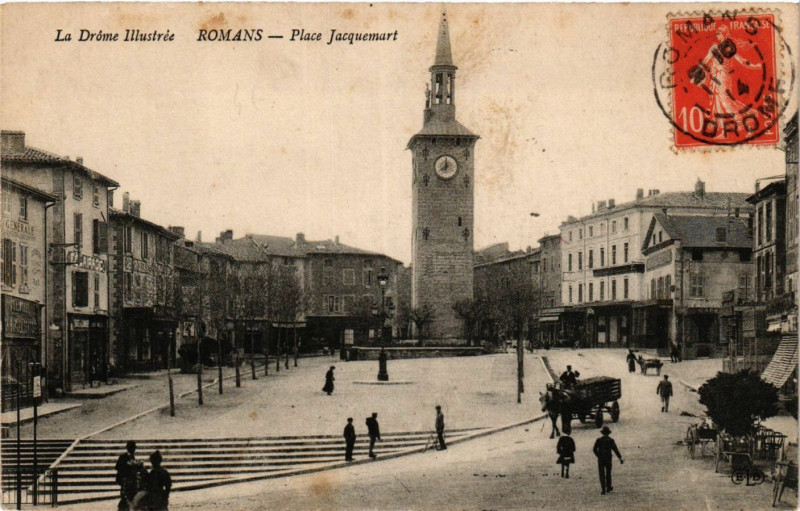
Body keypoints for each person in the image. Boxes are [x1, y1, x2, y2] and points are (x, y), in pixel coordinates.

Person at [592, 426, 624, 495]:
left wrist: (598, 455)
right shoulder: (611, 440)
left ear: (602, 433)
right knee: (608, 473)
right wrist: (620, 458)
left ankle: (603, 489)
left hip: (601, 459)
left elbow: (594, 449)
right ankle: (608, 487)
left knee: (601, 474)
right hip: (608, 458)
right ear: (608, 433)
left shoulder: (598, 440)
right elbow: (615, 449)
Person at [115, 440, 142, 510]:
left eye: (134, 448)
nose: (133, 450)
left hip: (132, 482)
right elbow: (118, 467)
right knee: (125, 498)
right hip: (125, 482)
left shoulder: (133, 457)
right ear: (128, 448)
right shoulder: (123, 457)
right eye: (132, 448)